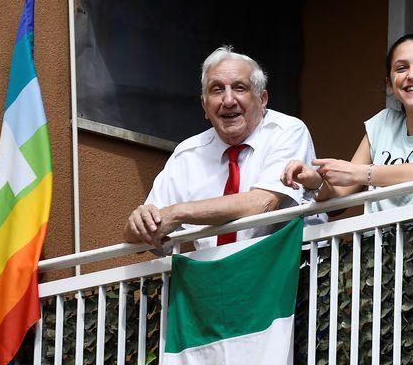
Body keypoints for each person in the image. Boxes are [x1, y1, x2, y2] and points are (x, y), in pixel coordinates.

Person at [124, 46, 315, 250]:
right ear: (205, 106)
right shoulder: (186, 154)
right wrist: (137, 224)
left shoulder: (286, 131)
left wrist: (177, 212)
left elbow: (263, 204)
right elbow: (142, 235)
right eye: (217, 90)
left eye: (239, 88)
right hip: (216, 276)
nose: (228, 100)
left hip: (285, 269)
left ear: (262, 99)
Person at [281, 33, 413, 213]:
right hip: (378, 242)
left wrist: (361, 173)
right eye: (401, 68)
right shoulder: (383, 123)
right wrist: (315, 182)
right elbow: (340, 195)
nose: (412, 75)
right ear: (390, 85)